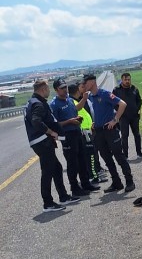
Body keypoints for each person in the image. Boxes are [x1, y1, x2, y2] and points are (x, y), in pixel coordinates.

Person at [23, 80, 80, 212]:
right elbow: (36, 121)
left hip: (40, 141)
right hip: (42, 141)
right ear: (43, 89)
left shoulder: (32, 102)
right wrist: (51, 132)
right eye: (47, 88)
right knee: (48, 171)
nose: (49, 91)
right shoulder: (38, 104)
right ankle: (48, 203)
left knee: (56, 168)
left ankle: (63, 196)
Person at [83, 73, 135, 193]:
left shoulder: (104, 94)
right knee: (107, 159)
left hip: (110, 130)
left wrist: (115, 120)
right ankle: (116, 182)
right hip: (99, 132)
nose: (84, 85)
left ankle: (129, 181)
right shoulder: (90, 97)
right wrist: (94, 122)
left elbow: (122, 104)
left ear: (92, 82)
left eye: (86, 82)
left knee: (119, 156)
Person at [49, 78, 100, 196]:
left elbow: (77, 109)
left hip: (77, 132)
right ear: (56, 90)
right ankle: (75, 188)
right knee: (73, 163)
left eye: (65, 87)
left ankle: (86, 183)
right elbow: (55, 124)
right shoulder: (54, 105)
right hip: (67, 136)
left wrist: (84, 99)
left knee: (82, 160)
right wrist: (69, 121)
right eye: (62, 88)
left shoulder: (69, 100)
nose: (65, 90)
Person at [68, 83, 107, 184]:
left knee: (92, 154)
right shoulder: (73, 101)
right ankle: (93, 176)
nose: (84, 90)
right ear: (77, 91)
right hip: (84, 132)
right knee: (91, 156)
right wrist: (84, 99)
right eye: (81, 88)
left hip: (88, 131)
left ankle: (94, 173)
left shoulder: (77, 100)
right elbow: (77, 109)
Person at [112, 73, 142, 159]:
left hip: (134, 116)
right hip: (123, 117)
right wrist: (119, 112)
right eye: (125, 80)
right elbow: (113, 103)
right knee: (124, 135)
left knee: (137, 134)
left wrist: (136, 109)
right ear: (122, 80)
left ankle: (139, 153)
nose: (127, 81)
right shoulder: (116, 90)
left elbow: (139, 101)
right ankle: (125, 155)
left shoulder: (134, 89)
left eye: (129, 79)